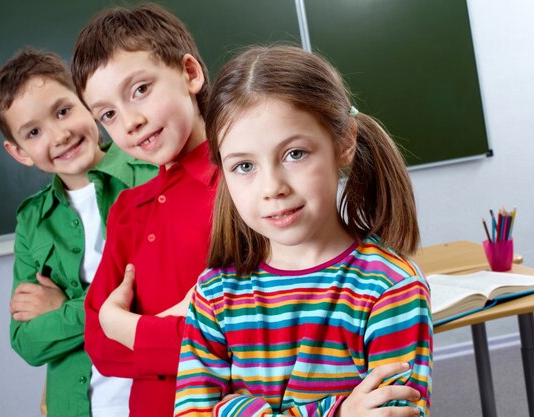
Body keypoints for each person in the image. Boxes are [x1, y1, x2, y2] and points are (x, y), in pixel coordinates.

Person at [173, 45, 432, 417]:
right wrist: (338, 412)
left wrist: (238, 409)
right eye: (244, 166)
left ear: (344, 143)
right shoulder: (214, 296)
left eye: (294, 154)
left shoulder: (390, 288)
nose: (271, 187)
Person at [0, 49, 157, 417]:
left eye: (63, 111)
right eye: (33, 132)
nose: (59, 135)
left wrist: (62, 309)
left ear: (86, 102)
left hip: (157, 398)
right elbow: (26, 342)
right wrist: (105, 310)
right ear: (19, 152)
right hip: (75, 407)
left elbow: (160, 295)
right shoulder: (32, 221)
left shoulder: (151, 175)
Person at [70, 4, 217, 417]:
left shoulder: (245, 184)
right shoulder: (128, 209)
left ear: (189, 74)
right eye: (108, 115)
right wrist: (183, 342)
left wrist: (130, 328)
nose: (130, 122)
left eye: (140, 90)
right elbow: (100, 345)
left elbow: (249, 334)